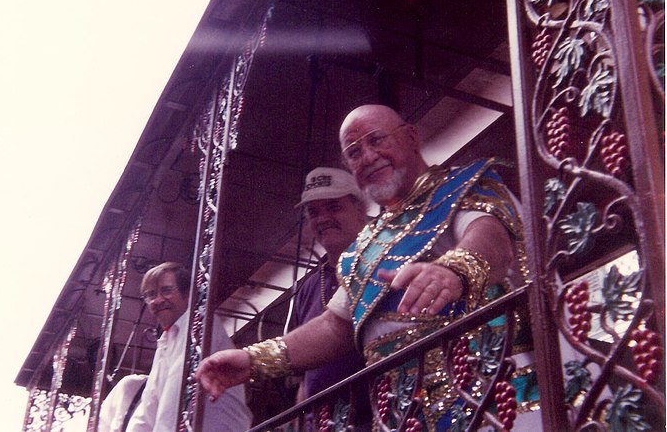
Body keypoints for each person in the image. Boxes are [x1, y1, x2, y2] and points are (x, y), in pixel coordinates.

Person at [196, 104, 534, 431]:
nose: (368, 157)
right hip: (406, 416)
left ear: (411, 137)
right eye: (354, 152)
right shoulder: (363, 248)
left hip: (491, 394)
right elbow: (333, 327)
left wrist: (456, 269)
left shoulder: (463, 186)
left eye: (376, 139)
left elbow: (490, 237)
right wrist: (254, 360)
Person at [289, 167, 371, 428]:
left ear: (360, 208)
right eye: (314, 212)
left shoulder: (382, 260)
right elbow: (307, 377)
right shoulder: (308, 289)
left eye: (333, 207)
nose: (323, 218)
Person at [127, 262, 252, 432]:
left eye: (166, 290)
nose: (157, 300)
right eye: (150, 295)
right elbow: (148, 408)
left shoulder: (200, 324)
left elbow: (174, 402)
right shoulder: (166, 340)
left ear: (187, 295)